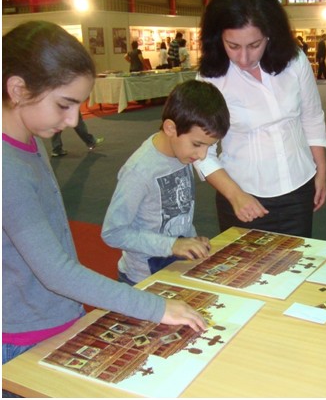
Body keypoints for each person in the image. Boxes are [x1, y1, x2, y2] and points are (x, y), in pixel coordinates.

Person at [2, 21, 207, 368]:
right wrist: (156, 307)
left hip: (56, 315)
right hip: (23, 336)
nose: (73, 120)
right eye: (64, 105)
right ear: (18, 90)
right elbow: (55, 272)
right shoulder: (7, 168)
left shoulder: (30, 139)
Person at [197, 0, 326, 238]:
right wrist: (235, 195)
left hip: (298, 187)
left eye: (254, 45)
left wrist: (321, 169)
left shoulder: (294, 60)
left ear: (270, 34)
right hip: (241, 195)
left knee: (296, 260)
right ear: (217, 38)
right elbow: (200, 151)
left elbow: (312, 116)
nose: (244, 58)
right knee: (244, 264)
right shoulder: (211, 78)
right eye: (233, 46)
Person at [102, 80, 230, 286]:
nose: (202, 155)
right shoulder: (139, 171)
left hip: (175, 267)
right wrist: (172, 245)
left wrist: (190, 241)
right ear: (171, 128)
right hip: (142, 279)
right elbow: (113, 232)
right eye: (197, 144)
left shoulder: (182, 154)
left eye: (209, 146)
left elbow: (179, 211)